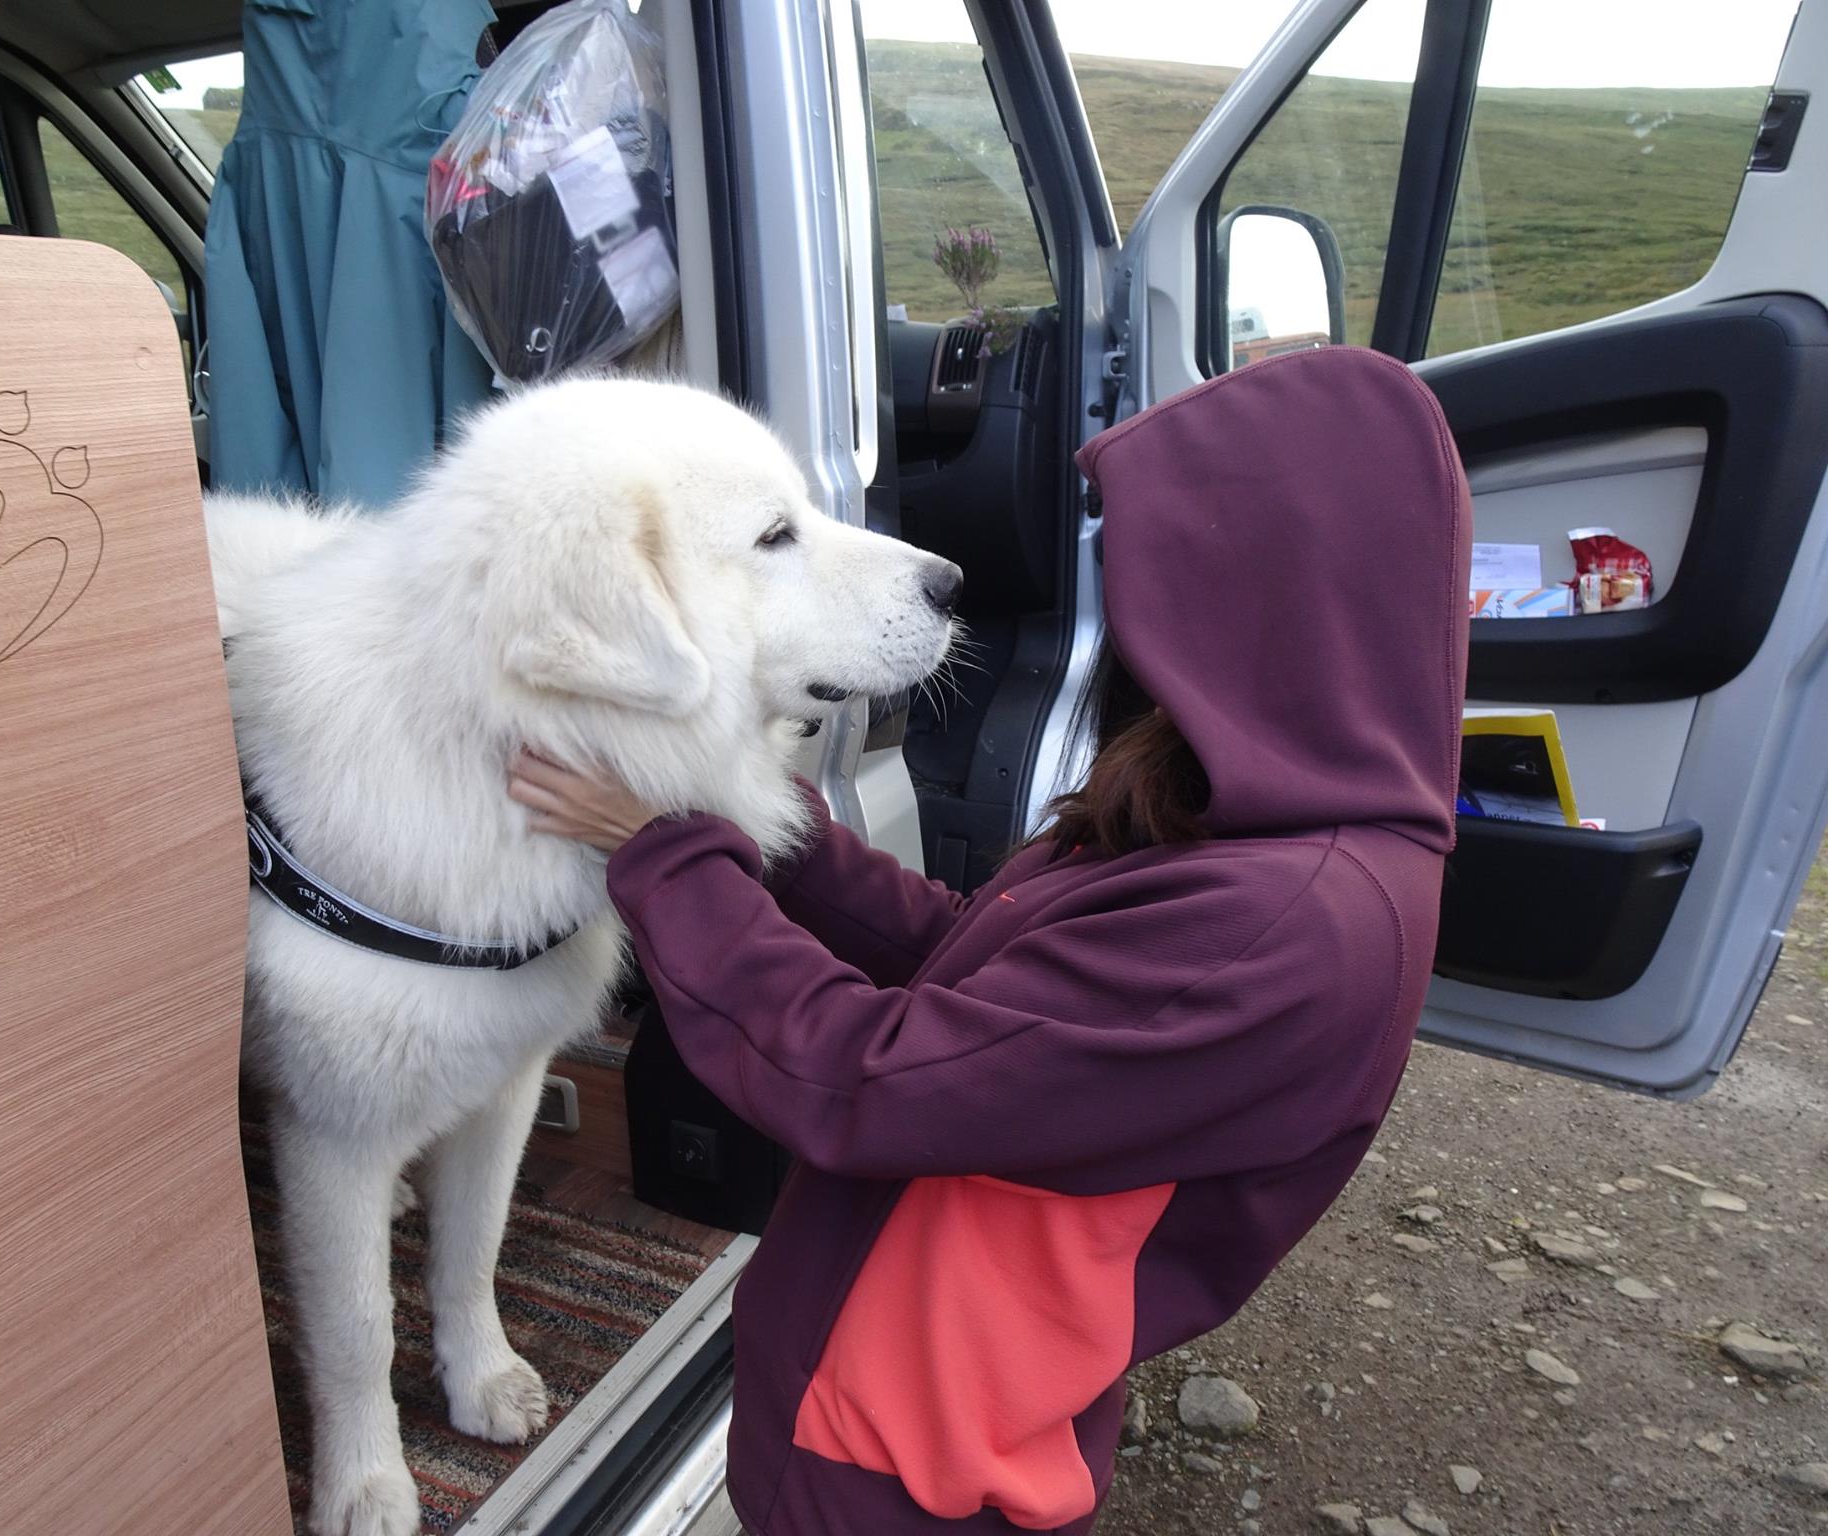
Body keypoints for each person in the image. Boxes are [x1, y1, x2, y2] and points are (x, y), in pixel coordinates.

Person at [508, 346, 1471, 1536]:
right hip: (877, 1387)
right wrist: (748, 808)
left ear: (1259, 579)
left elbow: (859, 1074)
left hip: (904, 1463)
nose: (1121, 598)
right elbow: (976, 969)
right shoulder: (1261, 810)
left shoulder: (1284, 928)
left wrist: (661, 854)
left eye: (1152, 558)